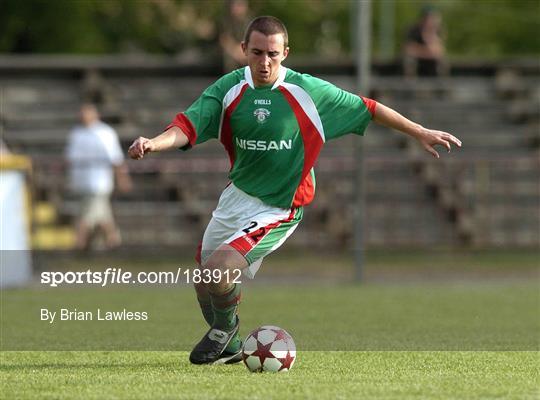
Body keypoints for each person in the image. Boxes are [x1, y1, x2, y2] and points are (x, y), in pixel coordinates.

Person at [128, 16, 461, 365]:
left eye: (272, 53)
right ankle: (229, 343)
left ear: (285, 53)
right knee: (204, 282)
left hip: (280, 207)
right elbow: (188, 126)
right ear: (243, 50)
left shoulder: (308, 92)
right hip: (237, 198)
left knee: (217, 272)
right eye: (256, 53)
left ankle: (224, 332)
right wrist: (154, 142)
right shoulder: (228, 89)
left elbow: (370, 108)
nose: (264, 62)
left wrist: (419, 130)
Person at [66, 103, 131, 251]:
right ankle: (113, 240)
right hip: (81, 183)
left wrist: (122, 178)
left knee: (87, 215)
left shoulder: (105, 133)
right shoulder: (76, 133)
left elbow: (116, 158)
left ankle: (79, 243)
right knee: (102, 214)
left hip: (98, 183)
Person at [403, 6, 447, 77]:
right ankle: (409, 85)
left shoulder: (438, 31)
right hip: (417, 60)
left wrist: (430, 36)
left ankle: (441, 85)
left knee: (442, 62)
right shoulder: (413, 30)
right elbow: (409, 50)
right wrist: (429, 52)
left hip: (430, 61)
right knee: (409, 61)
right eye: (429, 18)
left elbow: (439, 52)